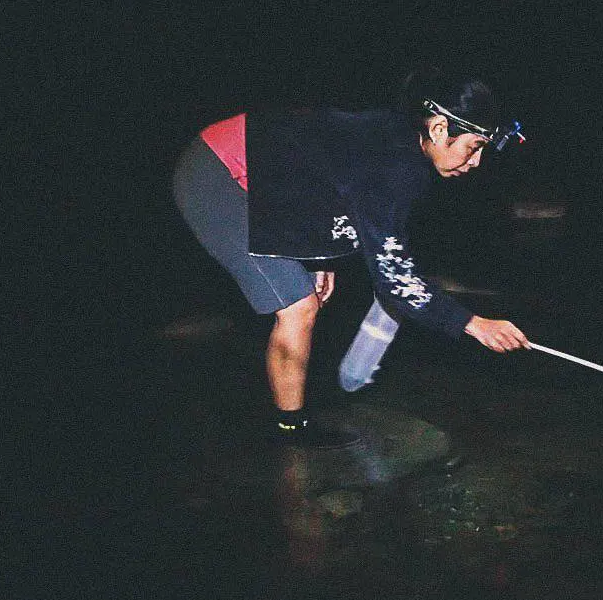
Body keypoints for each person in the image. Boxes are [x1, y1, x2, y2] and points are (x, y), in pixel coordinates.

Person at [172, 68, 530, 448]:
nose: (475, 163)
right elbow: (394, 278)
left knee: (306, 295)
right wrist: (473, 323)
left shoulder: (400, 143)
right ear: (439, 129)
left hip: (260, 174)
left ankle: (290, 413)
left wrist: (318, 257)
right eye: (473, 148)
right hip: (218, 174)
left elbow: (321, 177)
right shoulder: (392, 164)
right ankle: (291, 430)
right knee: (298, 306)